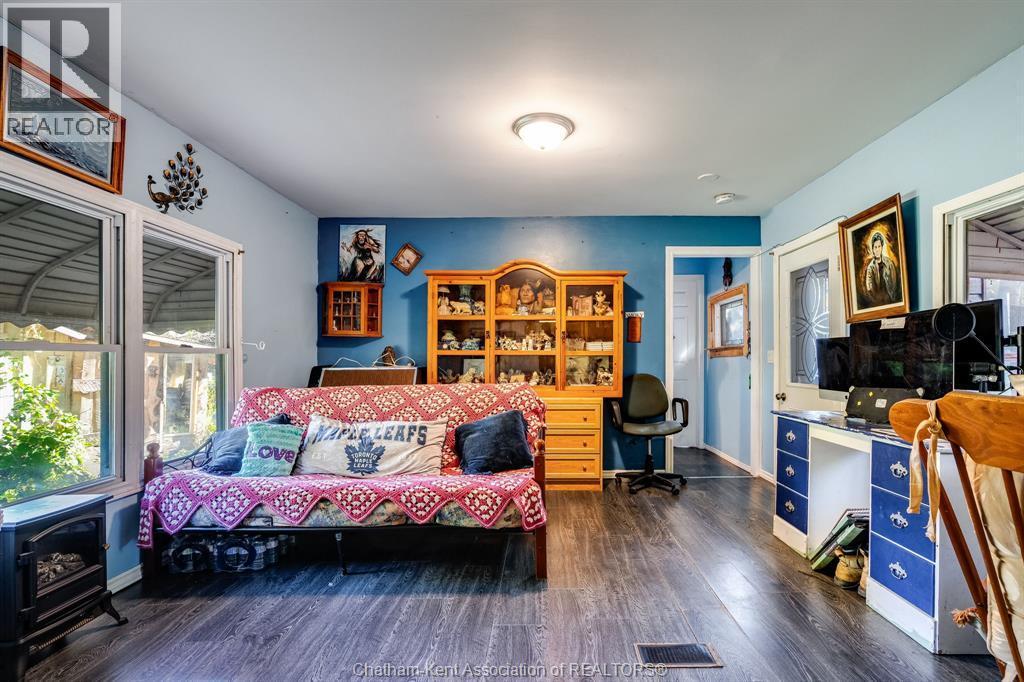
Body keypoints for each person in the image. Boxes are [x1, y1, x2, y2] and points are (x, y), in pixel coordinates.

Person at [864, 230, 899, 305]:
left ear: (882, 247)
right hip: (877, 303)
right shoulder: (870, 267)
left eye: (879, 246)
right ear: (872, 249)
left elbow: (894, 283)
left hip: (890, 300)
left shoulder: (889, 263)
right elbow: (869, 288)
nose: (877, 249)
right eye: (875, 247)